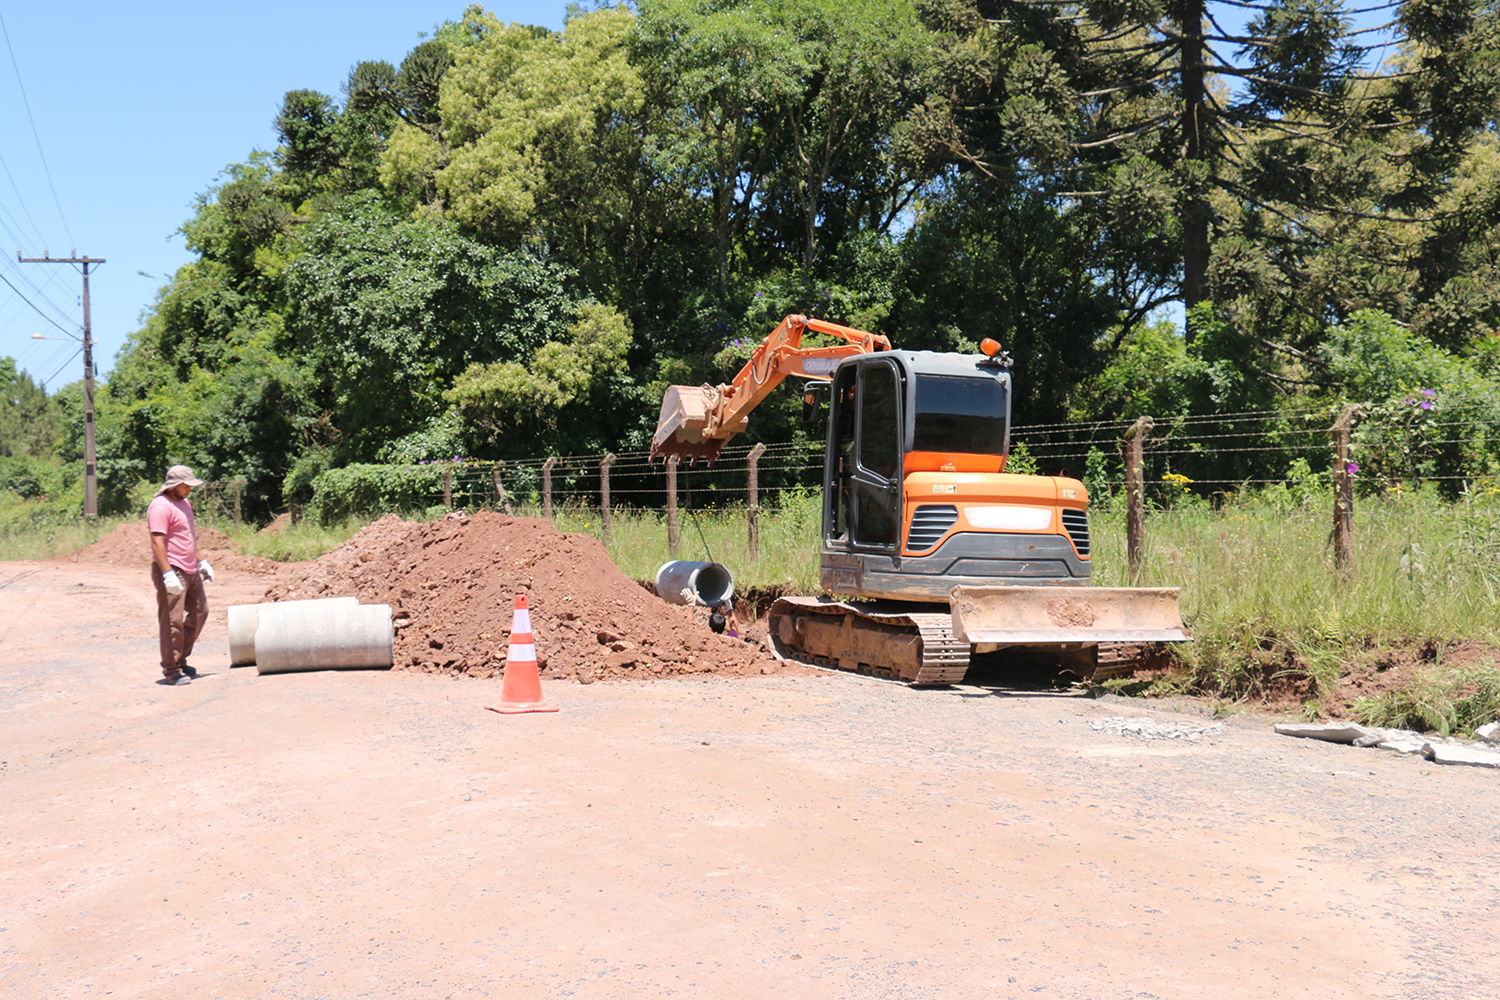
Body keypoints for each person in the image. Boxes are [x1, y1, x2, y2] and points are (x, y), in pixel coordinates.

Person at [148, 465, 213, 685]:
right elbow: (157, 541)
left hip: (190, 568)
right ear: (174, 485)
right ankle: (171, 670)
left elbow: (188, 537)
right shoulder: (160, 506)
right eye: (186, 486)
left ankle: (181, 658)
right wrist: (167, 574)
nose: (190, 490)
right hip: (172, 569)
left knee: (200, 612)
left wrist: (200, 560)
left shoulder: (185, 503)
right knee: (172, 621)